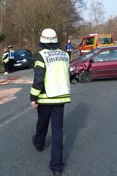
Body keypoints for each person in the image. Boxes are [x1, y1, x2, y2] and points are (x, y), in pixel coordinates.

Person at [30, 28, 71, 176]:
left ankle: (39, 143)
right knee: (57, 131)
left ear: (42, 41)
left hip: (46, 97)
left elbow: (38, 79)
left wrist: (33, 98)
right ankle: (57, 167)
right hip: (61, 97)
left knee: (42, 122)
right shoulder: (65, 55)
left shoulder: (41, 56)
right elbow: (68, 73)